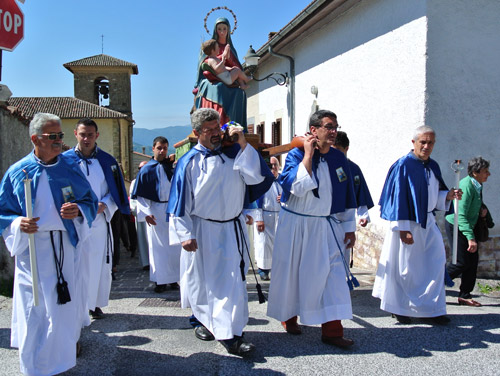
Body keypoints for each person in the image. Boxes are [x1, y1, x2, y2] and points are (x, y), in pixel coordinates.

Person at [168, 108, 273, 356]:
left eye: (218, 128)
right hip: (204, 230)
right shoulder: (189, 163)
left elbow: (255, 178)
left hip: (233, 228)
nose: (216, 134)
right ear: (197, 133)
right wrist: (185, 234)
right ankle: (218, 329)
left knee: (233, 283)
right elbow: (179, 203)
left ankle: (232, 331)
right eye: (210, 130)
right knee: (206, 283)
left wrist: (243, 141)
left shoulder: (234, 153)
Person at [0, 113, 97, 375]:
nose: (58, 141)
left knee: (62, 310)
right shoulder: (18, 172)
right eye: (51, 136)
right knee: (34, 309)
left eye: (60, 136)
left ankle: (60, 361)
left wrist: (77, 210)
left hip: (63, 248)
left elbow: (90, 201)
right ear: (35, 139)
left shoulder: (69, 168)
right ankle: (33, 366)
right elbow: (3, 212)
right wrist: (18, 223)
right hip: (31, 250)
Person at [267, 110, 358, 348]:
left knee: (333, 277)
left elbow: (348, 194)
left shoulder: (339, 159)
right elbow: (295, 187)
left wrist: (350, 227)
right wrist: (308, 155)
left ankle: (333, 331)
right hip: (297, 226)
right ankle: (290, 317)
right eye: (328, 126)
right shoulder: (296, 155)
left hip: (327, 226)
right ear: (314, 130)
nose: (333, 131)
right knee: (294, 275)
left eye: (335, 127)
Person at [373, 126, 462, 325]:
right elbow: (397, 198)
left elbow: (435, 195)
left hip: (428, 222)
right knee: (406, 269)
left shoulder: (433, 166)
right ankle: (400, 308)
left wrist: (447, 196)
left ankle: (432, 309)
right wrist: (403, 228)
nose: (426, 146)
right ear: (413, 143)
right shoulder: (403, 165)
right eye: (423, 142)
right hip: (407, 224)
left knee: (436, 263)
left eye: (430, 142)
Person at [65, 118, 130, 320]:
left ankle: (93, 303)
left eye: (90, 134)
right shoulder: (65, 161)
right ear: (75, 133)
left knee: (96, 264)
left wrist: (105, 205)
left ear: (97, 136)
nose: (86, 138)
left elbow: (116, 192)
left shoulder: (107, 161)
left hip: (99, 221)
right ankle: (75, 305)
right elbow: (61, 188)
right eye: (82, 134)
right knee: (75, 264)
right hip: (74, 222)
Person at [132, 137, 181, 292]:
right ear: (153, 148)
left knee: (174, 246)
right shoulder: (147, 169)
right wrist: (146, 212)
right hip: (156, 211)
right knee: (158, 247)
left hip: (171, 210)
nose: (162, 151)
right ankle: (160, 280)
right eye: (159, 148)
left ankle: (173, 279)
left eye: (165, 148)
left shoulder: (171, 169)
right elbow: (141, 195)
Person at [446, 157, 494, 307]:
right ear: (475, 172)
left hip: (468, 224)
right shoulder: (466, 185)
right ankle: (433, 285)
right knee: (461, 262)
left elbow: (479, 204)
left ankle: (465, 295)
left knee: (472, 262)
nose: (489, 174)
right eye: (485, 171)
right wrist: (470, 238)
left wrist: (487, 218)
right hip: (457, 224)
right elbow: (460, 214)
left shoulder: (477, 184)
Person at [194, 17, 247, 128]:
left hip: (229, 78)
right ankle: (217, 124)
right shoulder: (211, 46)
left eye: (224, 29)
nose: (222, 32)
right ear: (215, 30)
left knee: (240, 93)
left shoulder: (231, 49)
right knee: (219, 88)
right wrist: (222, 58)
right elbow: (205, 65)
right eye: (219, 29)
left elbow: (235, 66)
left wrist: (229, 60)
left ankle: (234, 126)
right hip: (212, 79)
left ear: (228, 30)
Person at [333, 131, 374, 266]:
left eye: (338, 150)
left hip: (346, 217)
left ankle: (343, 280)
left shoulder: (354, 169)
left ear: (346, 149)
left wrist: (363, 214)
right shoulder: (326, 165)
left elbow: (359, 192)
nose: (335, 153)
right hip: (327, 215)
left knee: (343, 252)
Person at [253, 156, 282, 281]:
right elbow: (257, 200)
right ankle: (263, 270)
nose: (273, 168)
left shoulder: (282, 180)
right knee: (264, 244)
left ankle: (277, 269)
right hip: (265, 216)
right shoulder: (262, 180)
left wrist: (284, 197)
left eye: (275, 165)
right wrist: (259, 219)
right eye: (270, 165)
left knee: (278, 244)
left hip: (279, 216)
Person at [130, 161, 150, 270]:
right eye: (140, 168)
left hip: (151, 214)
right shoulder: (134, 182)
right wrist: (135, 210)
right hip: (140, 213)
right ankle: (145, 261)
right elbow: (132, 198)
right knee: (142, 238)